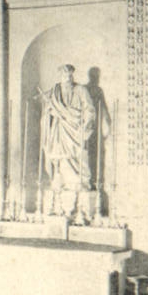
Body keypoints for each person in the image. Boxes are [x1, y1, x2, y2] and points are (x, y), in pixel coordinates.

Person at [37, 65, 97, 215]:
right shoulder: (55, 91)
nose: (67, 77)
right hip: (59, 128)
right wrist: (50, 112)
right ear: (60, 76)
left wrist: (85, 124)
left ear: (72, 75)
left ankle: (80, 182)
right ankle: (60, 181)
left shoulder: (81, 90)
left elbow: (89, 109)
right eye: (64, 74)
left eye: (69, 74)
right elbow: (46, 107)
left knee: (78, 155)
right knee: (59, 156)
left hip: (76, 129)